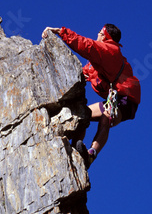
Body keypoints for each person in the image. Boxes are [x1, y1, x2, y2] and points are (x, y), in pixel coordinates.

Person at [42, 24, 141, 168]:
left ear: (105, 36)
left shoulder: (109, 51)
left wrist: (60, 32)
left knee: (105, 118)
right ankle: (76, 148)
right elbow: (82, 73)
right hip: (113, 98)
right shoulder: (97, 62)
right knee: (84, 114)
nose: (97, 35)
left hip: (126, 99)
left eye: (100, 33)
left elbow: (87, 46)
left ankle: (91, 154)